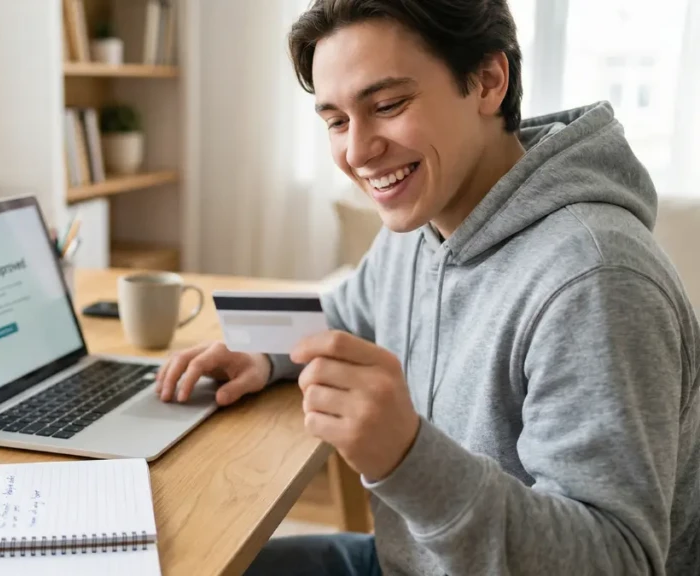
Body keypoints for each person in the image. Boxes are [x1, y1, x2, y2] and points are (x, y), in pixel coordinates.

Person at [155, 0, 700, 574]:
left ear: (489, 81)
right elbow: (348, 310)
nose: (358, 152)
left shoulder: (595, 282)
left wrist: (407, 458)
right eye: (337, 121)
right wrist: (261, 351)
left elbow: (615, 561)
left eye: (388, 105)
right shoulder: (423, 221)